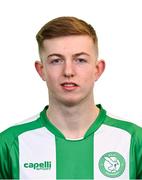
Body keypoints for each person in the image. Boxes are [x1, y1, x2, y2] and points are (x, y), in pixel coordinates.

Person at [0, 16, 142, 180]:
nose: (68, 71)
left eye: (80, 60)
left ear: (97, 69)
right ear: (41, 70)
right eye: (56, 60)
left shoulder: (134, 141)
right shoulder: (9, 144)